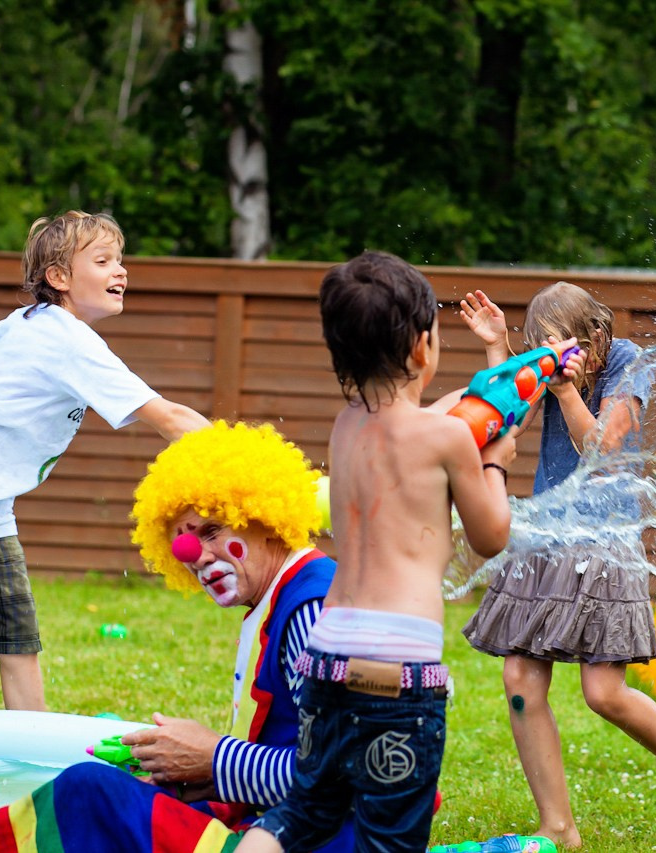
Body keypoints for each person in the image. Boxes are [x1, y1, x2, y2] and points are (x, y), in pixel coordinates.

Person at [236, 251, 518, 853]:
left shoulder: (346, 427)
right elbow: (490, 536)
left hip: (326, 658)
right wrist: (494, 464)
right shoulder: (445, 440)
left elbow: (419, 423)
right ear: (422, 347)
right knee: (390, 838)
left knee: (305, 811)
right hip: (398, 671)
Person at [0, 420, 353, 852]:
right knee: (115, 791)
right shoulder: (283, 597)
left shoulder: (311, 609)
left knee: (88, 791)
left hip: (311, 842)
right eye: (182, 544)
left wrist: (215, 758)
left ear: (264, 518)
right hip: (282, 829)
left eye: (212, 530)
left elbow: (345, 771)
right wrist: (201, 781)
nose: (196, 557)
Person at [458, 281, 656, 847]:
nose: (552, 356)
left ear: (593, 334)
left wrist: (568, 391)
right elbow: (503, 424)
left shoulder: (628, 361)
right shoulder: (544, 364)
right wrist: (498, 349)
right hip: (548, 536)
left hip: (604, 542)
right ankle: (559, 826)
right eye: (541, 346)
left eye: (556, 345)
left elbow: (603, 449)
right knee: (520, 679)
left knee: (603, 693)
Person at [0, 210, 210, 712]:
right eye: (102, 260)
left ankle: (35, 764)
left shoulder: (28, 322)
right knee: (17, 645)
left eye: (120, 260)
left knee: (18, 639)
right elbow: (171, 417)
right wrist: (257, 464)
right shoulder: (67, 340)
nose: (120, 270)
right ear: (59, 278)